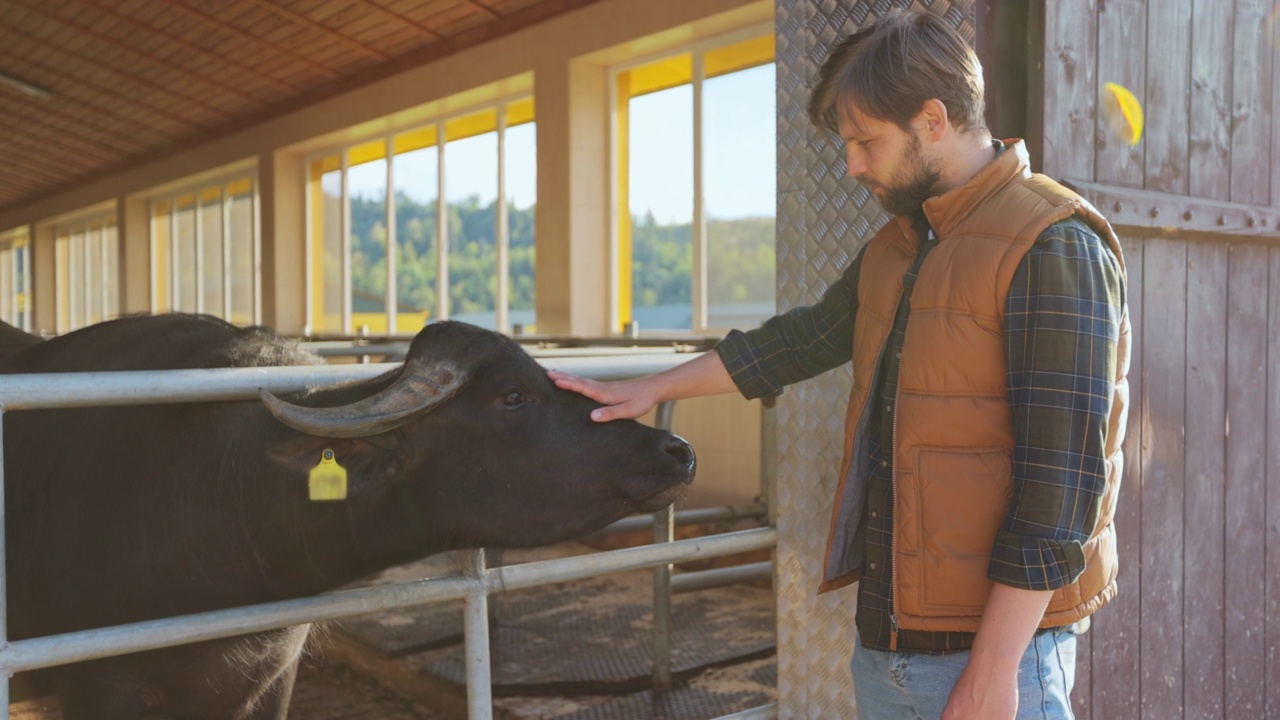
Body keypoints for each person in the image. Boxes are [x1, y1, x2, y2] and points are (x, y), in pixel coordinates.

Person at [550, 9, 1129, 720]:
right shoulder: (900, 246)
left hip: (993, 661)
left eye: (865, 141)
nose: (853, 164)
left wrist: (992, 672)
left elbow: (1061, 489)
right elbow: (796, 342)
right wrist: (647, 388)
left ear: (933, 120)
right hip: (887, 642)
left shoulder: (1053, 244)